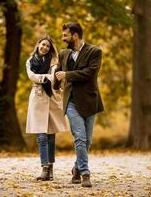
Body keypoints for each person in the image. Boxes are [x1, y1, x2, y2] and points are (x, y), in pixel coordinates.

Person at [54, 22, 104, 187]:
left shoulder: (94, 51)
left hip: (90, 101)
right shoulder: (63, 54)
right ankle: (85, 173)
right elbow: (57, 73)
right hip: (70, 102)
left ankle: (76, 169)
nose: (63, 38)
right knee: (80, 137)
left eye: (65, 35)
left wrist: (67, 74)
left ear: (75, 35)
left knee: (87, 140)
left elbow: (90, 73)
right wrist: (53, 87)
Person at [26, 35, 69, 181]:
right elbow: (32, 76)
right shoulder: (30, 61)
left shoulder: (54, 62)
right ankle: (44, 167)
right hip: (37, 99)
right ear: (38, 44)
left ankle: (50, 168)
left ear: (50, 49)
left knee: (51, 136)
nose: (44, 48)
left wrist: (43, 77)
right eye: (43, 45)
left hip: (52, 99)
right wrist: (45, 77)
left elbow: (54, 77)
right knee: (41, 136)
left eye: (47, 46)